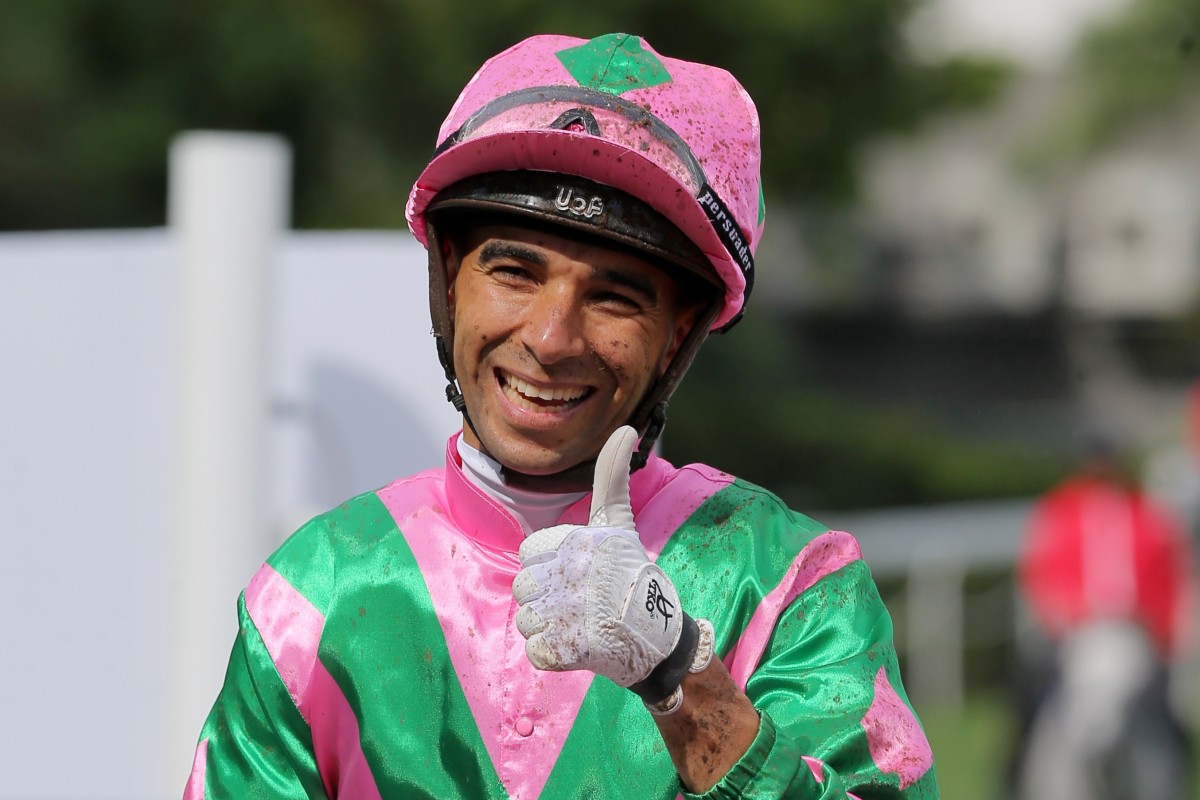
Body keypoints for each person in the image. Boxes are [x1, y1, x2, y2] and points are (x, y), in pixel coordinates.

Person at [183, 32, 937, 799]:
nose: (550, 339)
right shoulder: (312, 595)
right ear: (448, 274)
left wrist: (681, 673)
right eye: (513, 271)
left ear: (680, 332)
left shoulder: (793, 586)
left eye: (614, 297)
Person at [1012, 435, 1196, 800]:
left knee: (1166, 709)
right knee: (1033, 704)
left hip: (1134, 634)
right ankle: (1016, 778)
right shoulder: (1058, 512)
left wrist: (1167, 633)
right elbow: (1040, 579)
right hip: (1075, 635)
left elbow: (1170, 579)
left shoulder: (1148, 515)